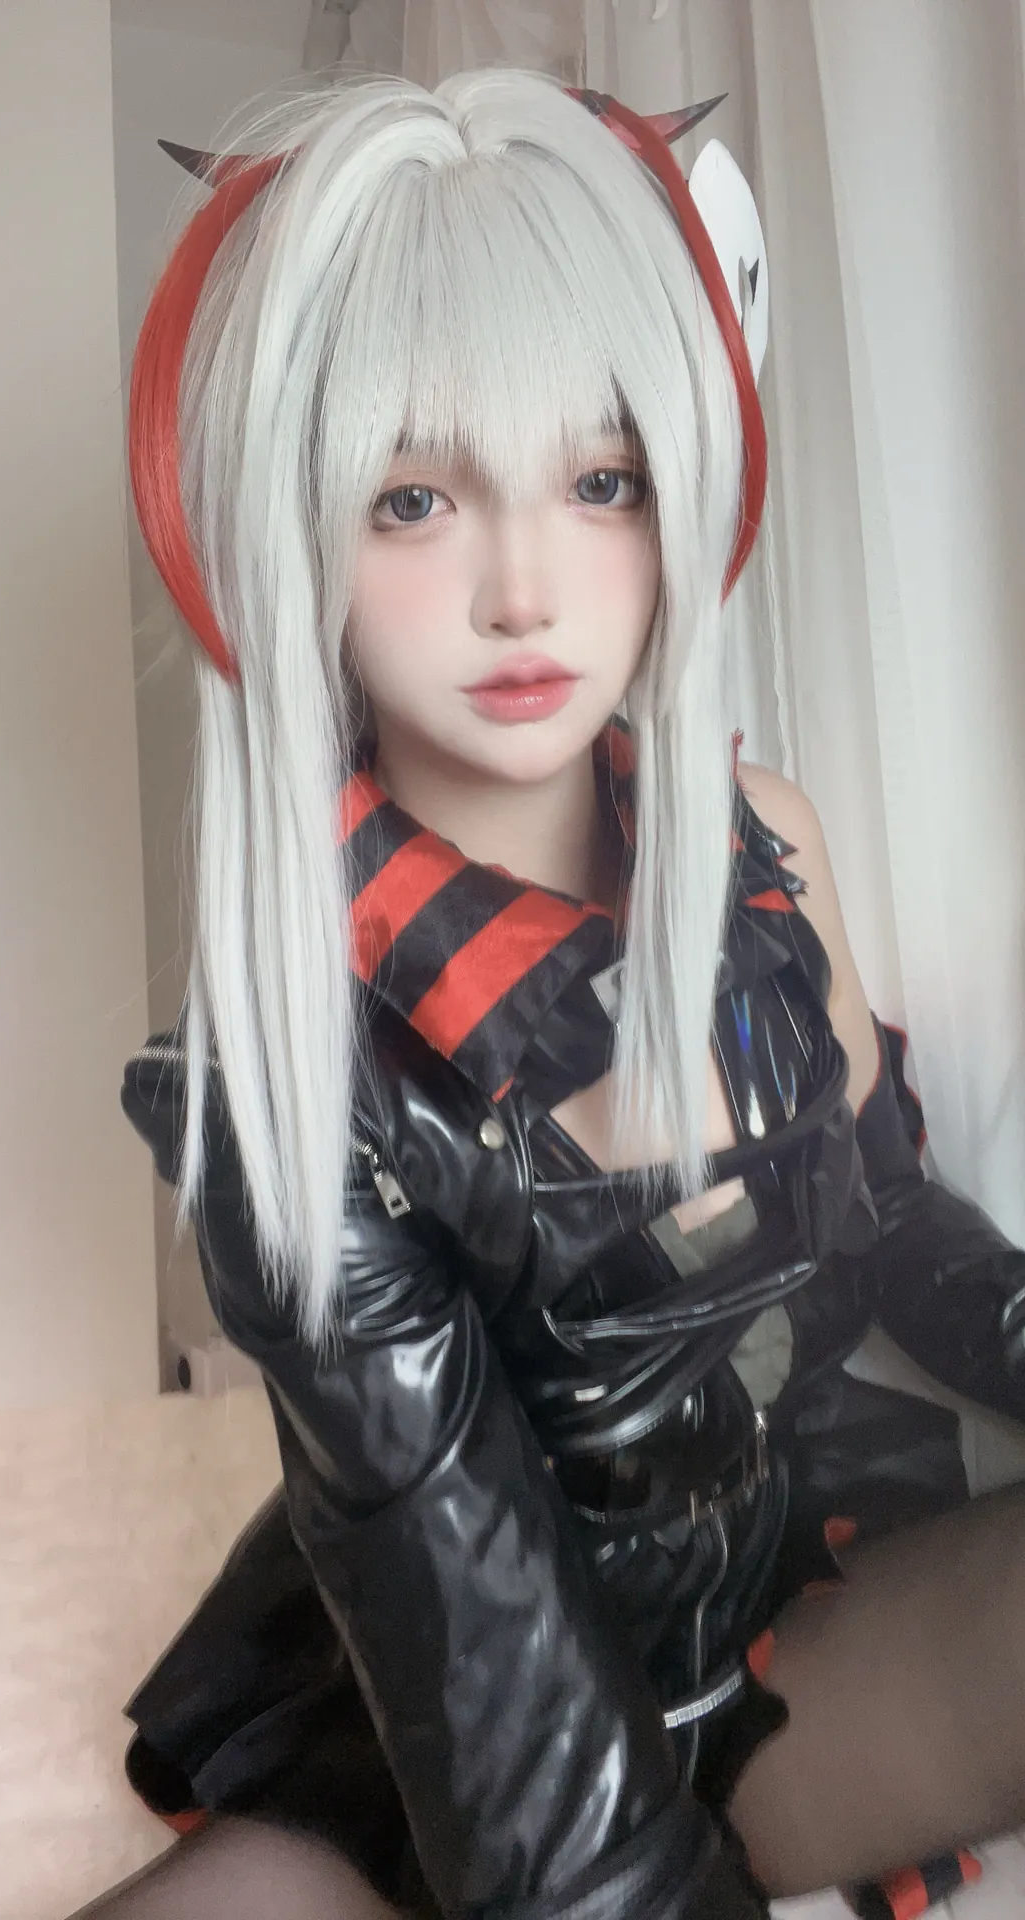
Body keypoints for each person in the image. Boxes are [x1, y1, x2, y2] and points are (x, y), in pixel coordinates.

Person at [74, 66, 1025, 1920]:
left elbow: (893, 1215)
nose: (523, 588)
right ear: (291, 532)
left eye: (601, 482)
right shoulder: (285, 1076)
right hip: (455, 1695)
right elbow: (489, 1680)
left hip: (771, 1610)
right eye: (414, 497)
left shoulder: (765, 844)